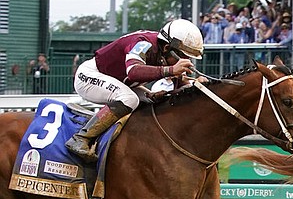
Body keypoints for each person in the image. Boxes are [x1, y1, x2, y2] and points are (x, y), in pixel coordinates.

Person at [66, 19, 203, 162]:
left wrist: (196, 84)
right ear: (167, 48)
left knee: (152, 99)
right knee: (129, 99)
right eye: (183, 56)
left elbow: (180, 86)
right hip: (90, 76)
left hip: (120, 82)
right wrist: (171, 70)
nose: (186, 60)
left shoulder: (165, 52)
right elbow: (133, 71)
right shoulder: (143, 43)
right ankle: (81, 138)